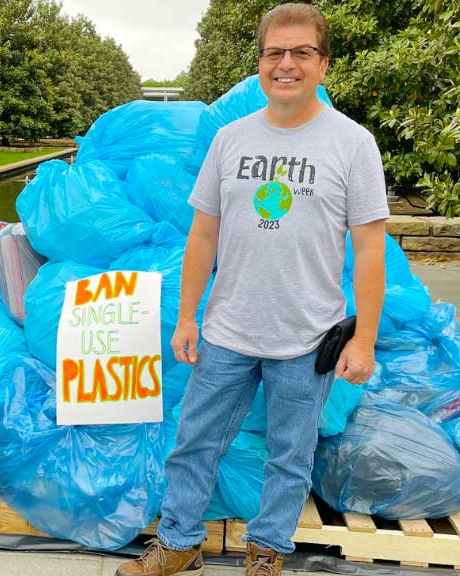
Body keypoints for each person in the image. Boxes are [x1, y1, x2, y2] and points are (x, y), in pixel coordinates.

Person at [116, 4, 388, 576]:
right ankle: (179, 542)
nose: (286, 64)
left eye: (301, 53)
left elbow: (368, 249)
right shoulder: (231, 140)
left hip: (308, 336)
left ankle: (267, 552)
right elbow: (204, 235)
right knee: (194, 444)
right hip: (227, 331)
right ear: (261, 61)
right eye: (274, 53)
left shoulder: (352, 143)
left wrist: (363, 338)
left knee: (290, 455)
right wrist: (187, 316)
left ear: (323, 65)